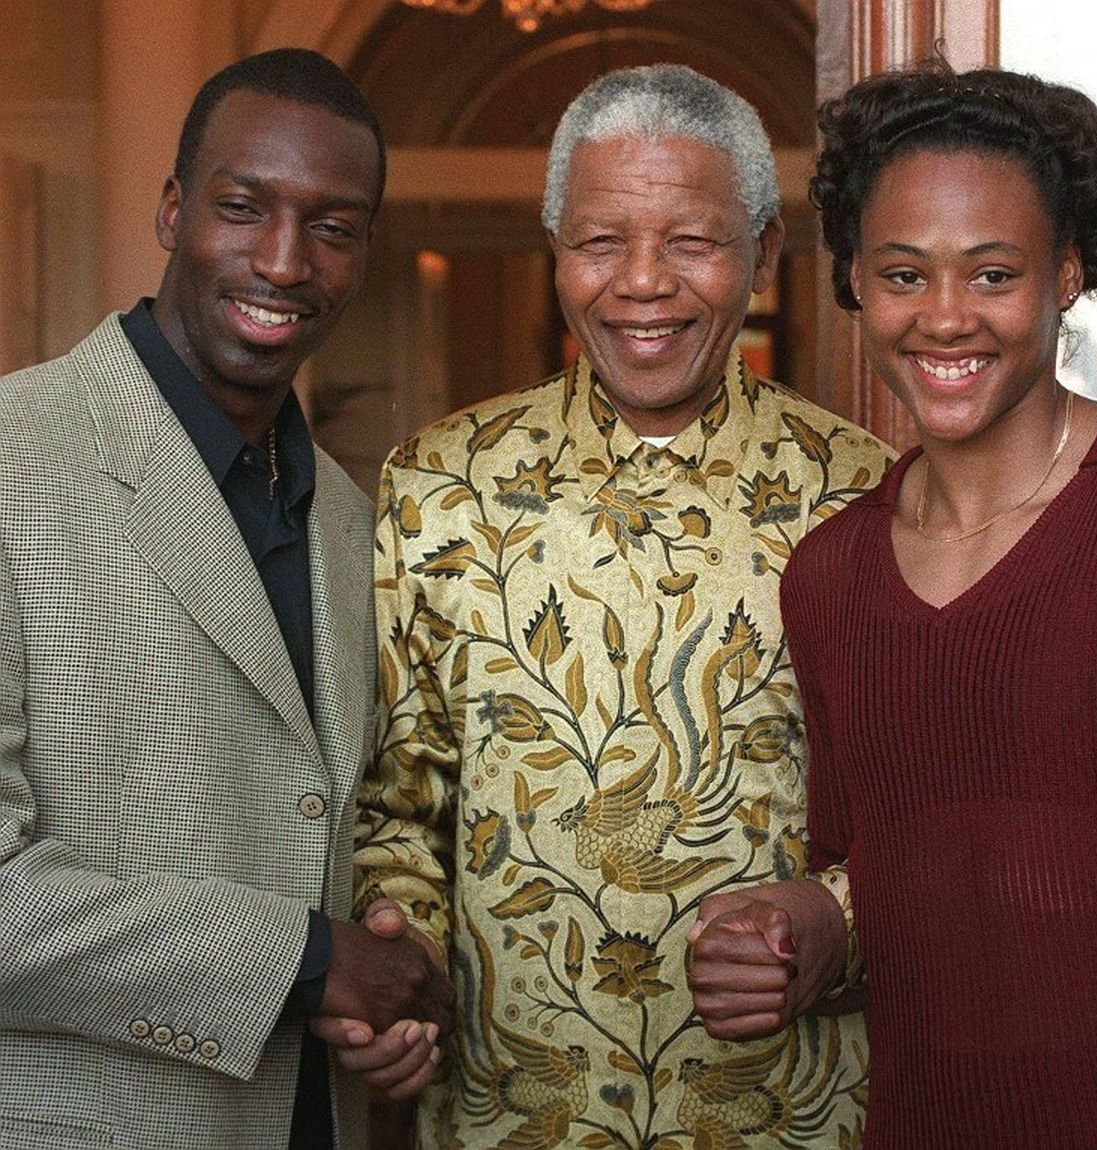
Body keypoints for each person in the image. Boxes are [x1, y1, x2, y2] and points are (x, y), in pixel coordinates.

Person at [687, 63, 1097, 1148]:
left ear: (1067, 273)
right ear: (854, 281)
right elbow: (881, 893)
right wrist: (789, 930)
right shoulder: (831, 576)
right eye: (904, 274)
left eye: (992, 274)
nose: (945, 318)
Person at [351, 64, 891, 1150]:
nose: (643, 283)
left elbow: (929, 821)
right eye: (601, 242)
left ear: (765, 256)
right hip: (510, 1114)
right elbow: (399, 807)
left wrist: (834, 923)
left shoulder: (867, 495)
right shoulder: (440, 488)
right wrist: (398, 957)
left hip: (791, 1115)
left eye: (691, 241)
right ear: (556, 251)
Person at [0, 48, 453, 1150]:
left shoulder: (349, 516)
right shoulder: (15, 459)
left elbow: (322, 823)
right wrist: (310, 961)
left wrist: (380, 1002)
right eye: (244, 208)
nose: (285, 262)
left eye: (333, 227)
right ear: (173, 210)